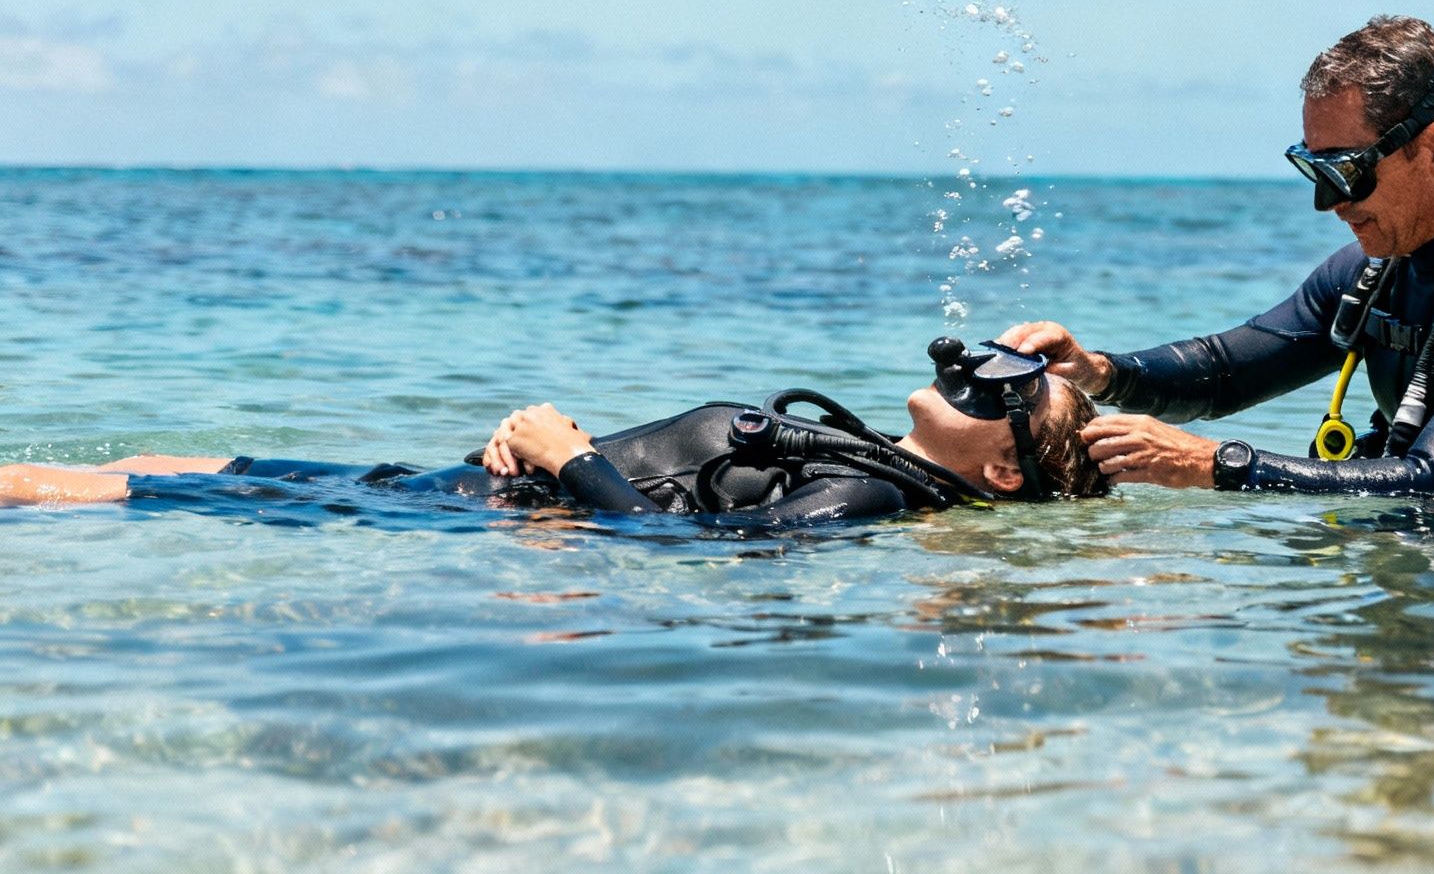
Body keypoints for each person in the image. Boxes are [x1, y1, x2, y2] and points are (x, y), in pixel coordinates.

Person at [1002, 15, 1434, 502]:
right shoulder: (1375, 274)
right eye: (1312, 169)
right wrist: (1099, 371)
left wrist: (1216, 466)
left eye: (1347, 170)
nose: (1327, 203)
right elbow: (1225, 371)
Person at [0, 338, 1111, 524]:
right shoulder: (863, 453)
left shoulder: (872, 496)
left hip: (471, 515)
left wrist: (563, 456)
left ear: (1003, 471)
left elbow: (681, 552)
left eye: (1000, 396)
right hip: (468, 487)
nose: (971, 379)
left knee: (108, 492)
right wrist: (540, 448)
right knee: (182, 465)